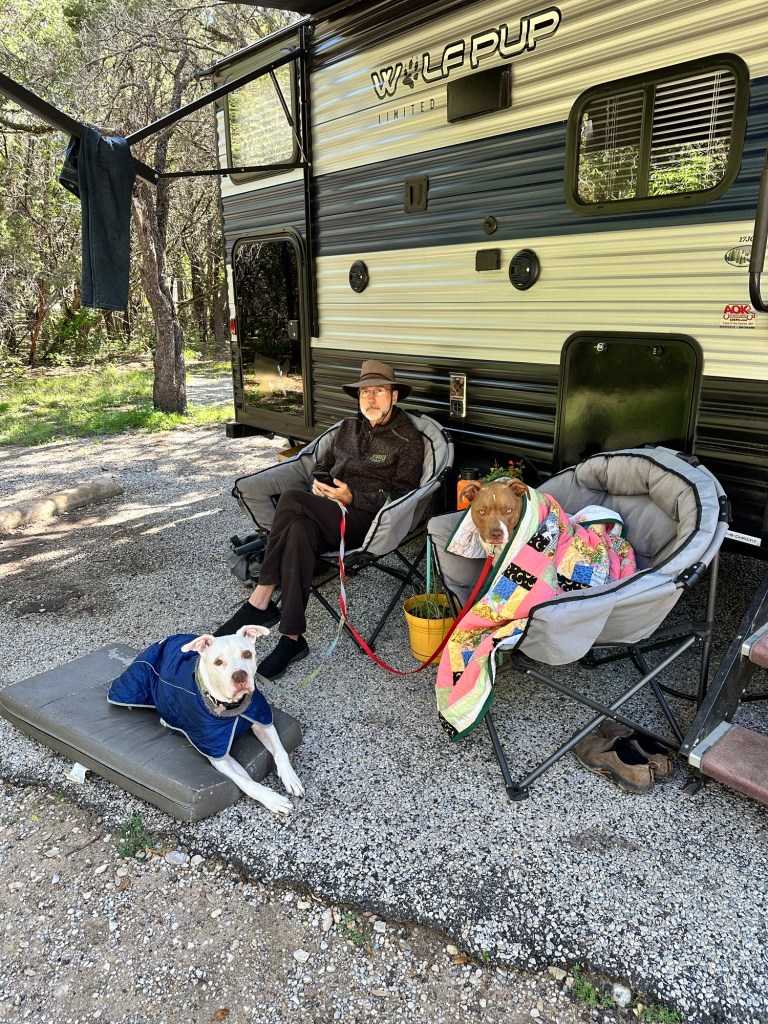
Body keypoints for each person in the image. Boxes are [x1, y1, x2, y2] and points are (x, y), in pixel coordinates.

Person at [214, 360, 425, 678]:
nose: (370, 398)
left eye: (379, 391)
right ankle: (292, 639)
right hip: (327, 511)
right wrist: (320, 483)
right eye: (365, 392)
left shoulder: (407, 439)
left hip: (368, 522)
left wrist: (353, 498)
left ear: (394, 396)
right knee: (298, 528)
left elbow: (405, 494)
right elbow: (322, 465)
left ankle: (262, 597)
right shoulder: (347, 428)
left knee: (291, 499)